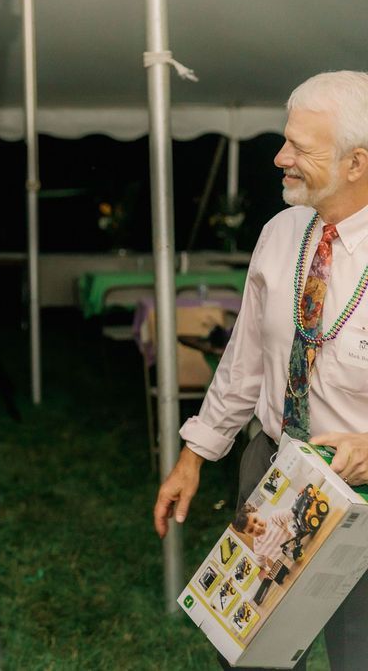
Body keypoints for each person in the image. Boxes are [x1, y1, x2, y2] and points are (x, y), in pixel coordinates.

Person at [154, 71, 368, 671]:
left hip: (363, 495)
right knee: (254, 653)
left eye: (300, 147)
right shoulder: (280, 232)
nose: (280, 158)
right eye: (285, 139)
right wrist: (196, 453)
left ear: (356, 163)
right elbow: (244, 360)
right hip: (273, 470)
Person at [232, 503, 296, 570]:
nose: (257, 528)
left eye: (255, 520)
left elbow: (291, 513)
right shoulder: (257, 547)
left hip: (299, 550)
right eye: (251, 530)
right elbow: (261, 565)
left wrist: (292, 511)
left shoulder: (274, 518)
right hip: (290, 568)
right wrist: (266, 570)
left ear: (257, 511)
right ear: (246, 534)